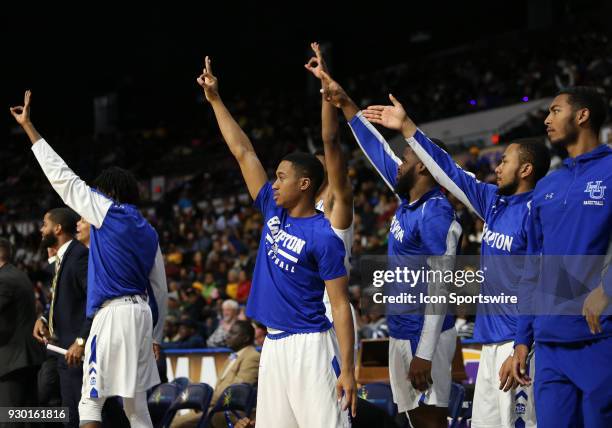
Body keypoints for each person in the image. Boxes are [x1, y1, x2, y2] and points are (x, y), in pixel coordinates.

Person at [362, 94, 551, 427]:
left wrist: (523, 344)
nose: (497, 167)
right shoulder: (494, 202)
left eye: (504, 161)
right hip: (490, 340)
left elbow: (537, 282)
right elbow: (450, 171)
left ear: (526, 168)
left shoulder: (538, 212)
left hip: (520, 344)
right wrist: (407, 128)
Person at [197, 56, 356, 427]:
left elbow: (340, 305)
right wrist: (215, 99)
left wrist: (348, 370)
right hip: (274, 345)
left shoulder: (325, 236)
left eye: (282, 176)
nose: (275, 182)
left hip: (311, 347)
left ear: (304, 184)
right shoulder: (272, 210)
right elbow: (243, 152)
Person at [10, 90, 168, 428]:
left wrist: (30, 129)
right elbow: (160, 288)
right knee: (136, 406)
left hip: (112, 315)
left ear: (108, 193)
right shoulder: (149, 231)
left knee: (89, 401)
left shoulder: (107, 211)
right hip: (141, 315)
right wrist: (157, 335)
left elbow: (62, 177)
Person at [316, 70, 460, 428]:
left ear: (425, 168)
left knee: (431, 421)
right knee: (413, 419)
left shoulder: (435, 213)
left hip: (424, 338)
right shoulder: (408, 199)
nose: (399, 162)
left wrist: (424, 354)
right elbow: (376, 149)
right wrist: (346, 103)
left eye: (408, 158)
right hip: (400, 330)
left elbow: (442, 287)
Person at [511, 87, 612, 427]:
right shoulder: (546, 186)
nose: (546, 119)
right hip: (550, 343)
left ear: (582, 116)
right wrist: (522, 339)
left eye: (555, 110)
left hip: (600, 338)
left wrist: (608, 288)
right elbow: (532, 266)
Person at [32, 207, 91, 428]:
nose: (41, 229)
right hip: (63, 350)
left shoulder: (78, 255)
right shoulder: (64, 257)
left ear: (57, 228)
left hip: (75, 352)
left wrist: (81, 341)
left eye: (44, 224)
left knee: (87, 414)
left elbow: (93, 301)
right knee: (71, 415)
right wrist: (44, 319)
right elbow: (62, 299)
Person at [172, 320, 260, 428]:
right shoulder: (232, 357)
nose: (227, 336)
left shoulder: (252, 357)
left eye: (233, 333)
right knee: (173, 419)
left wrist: (204, 400)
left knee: (175, 424)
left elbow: (237, 392)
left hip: (231, 413)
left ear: (245, 338)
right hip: (216, 409)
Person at [0, 238, 45, 423]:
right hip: (24, 358)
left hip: (13, 361)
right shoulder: (18, 274)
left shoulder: (4, 279)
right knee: (28, 418)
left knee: (9, 420)